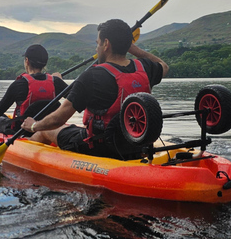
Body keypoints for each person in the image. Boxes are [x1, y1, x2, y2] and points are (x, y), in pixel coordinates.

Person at [22, 19, 168, 159]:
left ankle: (27, 158)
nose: (96, 48)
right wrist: (131, 48)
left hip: (99, 147)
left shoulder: (91, 76)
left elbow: (58, 119)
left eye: (97, 43)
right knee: (68, 128)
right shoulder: (145, 68)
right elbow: (164, 65)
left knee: (45, 131)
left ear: (106, 44)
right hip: (137, 144)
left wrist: (34, 125)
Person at [0, 44, 67, 135]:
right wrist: (60, 81)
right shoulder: (56, 82)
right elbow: (75, 98)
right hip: (51, 128)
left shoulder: (18, 84)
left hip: (24, 131)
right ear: (45, 63)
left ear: (27, 61)